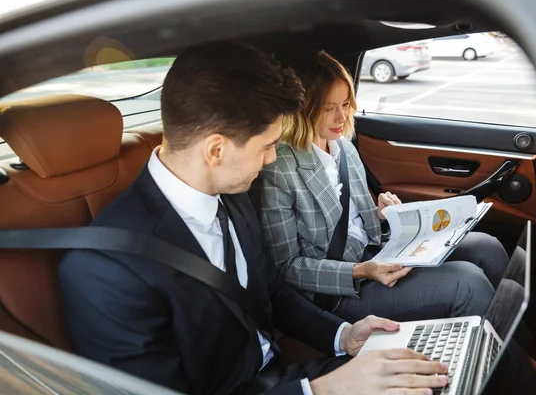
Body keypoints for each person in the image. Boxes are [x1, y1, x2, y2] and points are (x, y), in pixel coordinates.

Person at [58, 42, 451, 395]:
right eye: (266, 147)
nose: (271, 160)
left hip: (286, 375)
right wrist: (323, 391)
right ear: (216, 149)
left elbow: (271, 292)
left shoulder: (232, 199)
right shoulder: (104, 270)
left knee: (438, 376)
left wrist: (344, 335)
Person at [254, 50, 511, 325]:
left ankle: (518, 351)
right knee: (467, 283)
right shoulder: (279, 168)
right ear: (304, 109)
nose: (341, 117)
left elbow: (356, 222)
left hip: (377, 253)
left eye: (345, 104)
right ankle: (506, 363)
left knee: (487, 247)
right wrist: (362, 271)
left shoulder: (343, 147)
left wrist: (379, 214)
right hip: (338, 290)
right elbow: (287, 268)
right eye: (329, 108)